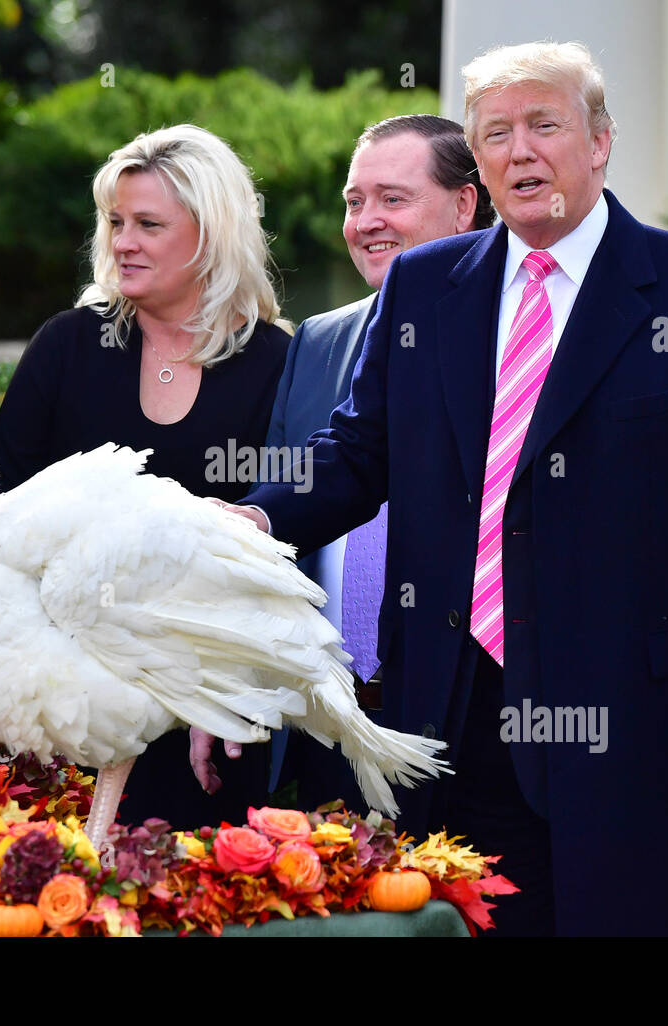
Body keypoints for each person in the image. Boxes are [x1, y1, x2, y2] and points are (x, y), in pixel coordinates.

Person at [231, 42, 668, 936]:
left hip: (630, 725)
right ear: (478, 164)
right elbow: (355, 452)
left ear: (600, 142)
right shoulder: (423, 287)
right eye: (496, 133)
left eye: (544, 125)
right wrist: (254, 513)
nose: (521, 150)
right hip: (447, 711)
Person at [0, 124, 291, 830]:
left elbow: (276, 552)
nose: (122, 241)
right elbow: (0, 519)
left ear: (211, 237)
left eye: (148, 225)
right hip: (60, 708)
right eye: (116, 222)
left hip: (205, 714)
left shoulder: (277, 362)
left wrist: (213, 692)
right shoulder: (68, 345)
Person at [265, 114, 494, 809]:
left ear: (465, 205)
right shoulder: (316, 341)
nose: (366, 221)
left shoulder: (514, 340)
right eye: (353, 200)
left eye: (392, 198)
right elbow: (292, 521)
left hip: (461, 726)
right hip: (325, 726)